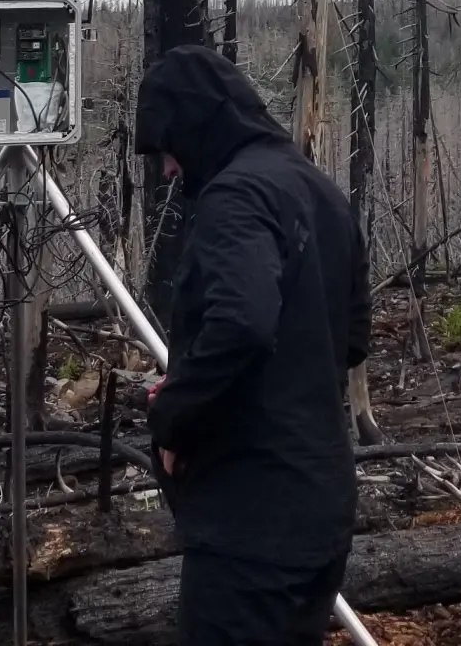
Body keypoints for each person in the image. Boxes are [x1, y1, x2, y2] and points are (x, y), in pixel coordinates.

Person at [135, 45, 369, 646]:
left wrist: (174, 415)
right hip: (321, 505)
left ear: (193, 126)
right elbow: (351, 338)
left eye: (167, 148)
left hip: (253, 522)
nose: (167, 170)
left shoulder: (236, 198)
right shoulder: (319, 190)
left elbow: (243, 322)